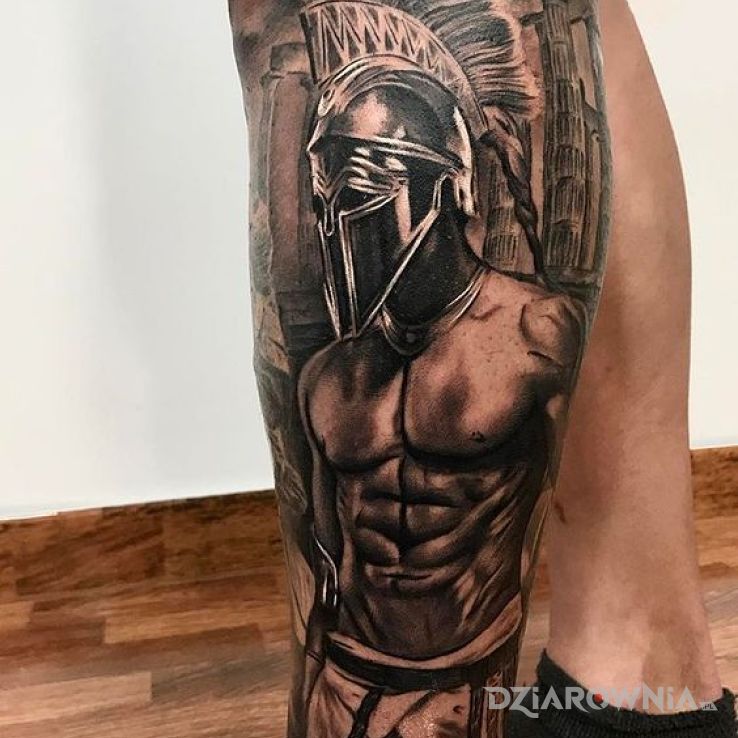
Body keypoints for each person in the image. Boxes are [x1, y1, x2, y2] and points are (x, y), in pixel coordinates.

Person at [229, 1, 736, 736]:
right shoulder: (331, 380)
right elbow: (332, 556)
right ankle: (639, 683)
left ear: (442, 187)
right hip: (349, 669)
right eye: (332, 190)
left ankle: (639, 674)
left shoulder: (533, 331)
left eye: (369, 183)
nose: (344, 217)